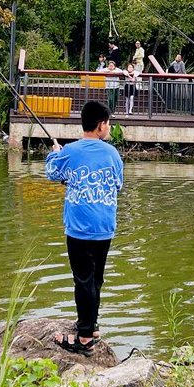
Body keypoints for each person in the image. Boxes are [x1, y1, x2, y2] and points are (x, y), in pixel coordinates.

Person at [45, 100, 124, 353]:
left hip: (79, 228)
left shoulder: (71, 151)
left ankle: (85, 338)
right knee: (96, 279)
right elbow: (118, 184)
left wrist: (55, 152)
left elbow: (52, 172)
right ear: (101, 126)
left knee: (83, 280)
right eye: (108, 123)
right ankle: (92, 325)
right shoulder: (113, 154)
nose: (109, 127)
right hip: (104, 227)